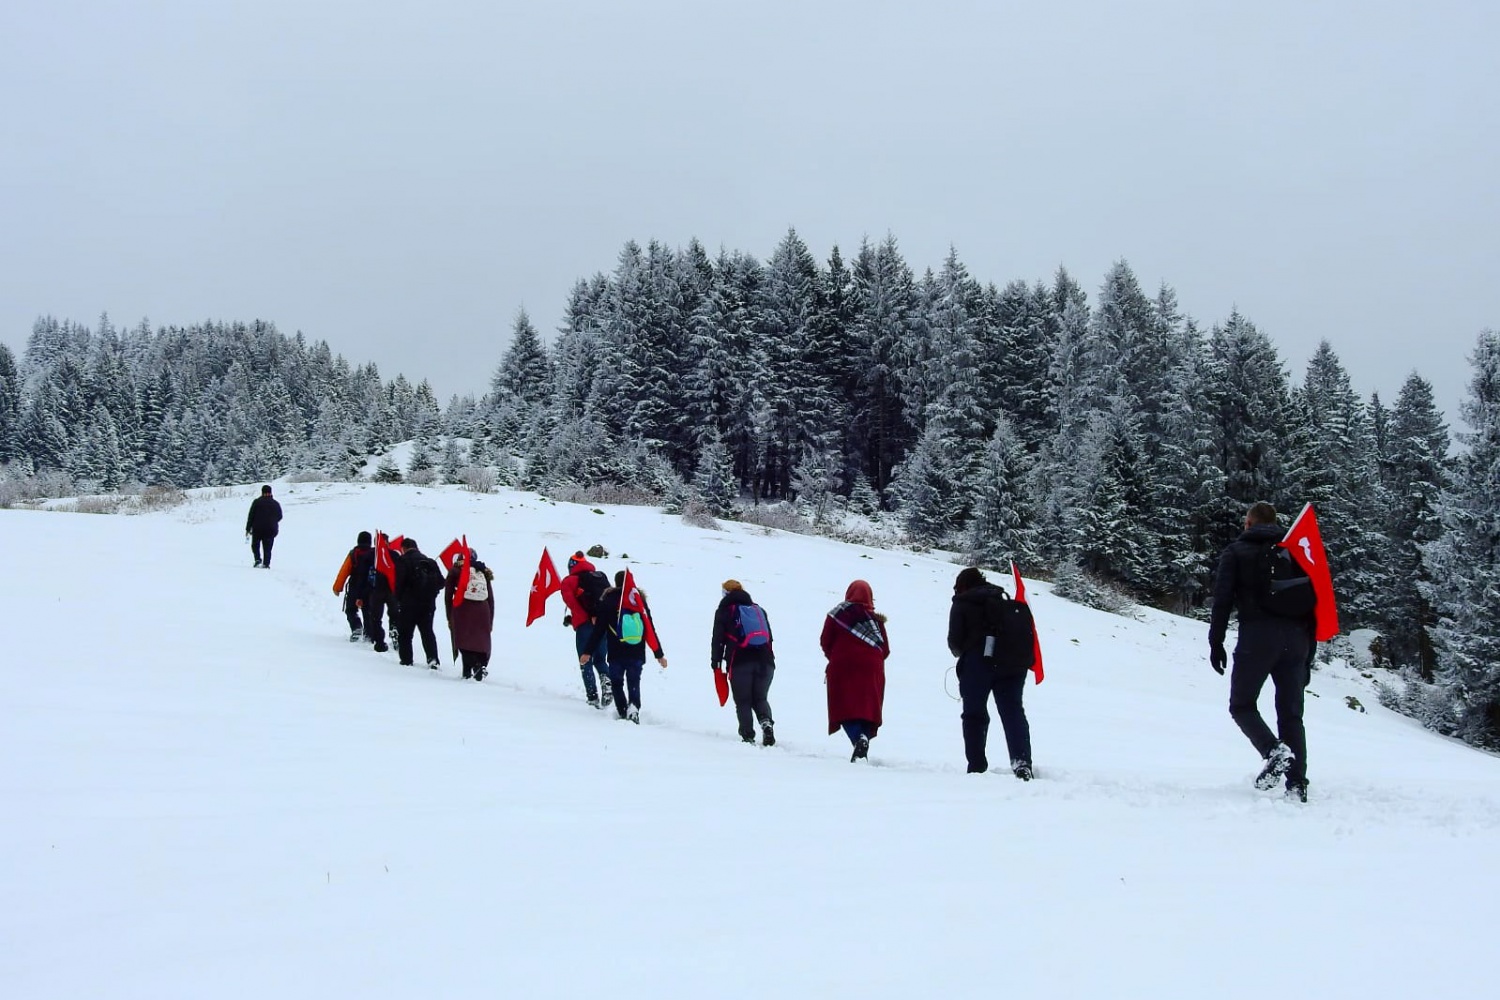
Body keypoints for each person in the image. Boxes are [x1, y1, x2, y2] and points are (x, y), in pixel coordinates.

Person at [1209, 501, 1314, 802]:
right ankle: (1297, 786)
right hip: (1297, 640)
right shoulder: (1296, 551)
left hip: (1257, 639)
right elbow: (1314, 601)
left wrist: (1216, 642)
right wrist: (1309, 654)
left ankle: (1274, 751)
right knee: (1292, 715)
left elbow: (1222, 601)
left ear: (1249, 524)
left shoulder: (1237, 552)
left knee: (1242, 705)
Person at [948, 566, 1034, 779]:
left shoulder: (962, 603)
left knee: (974, 715)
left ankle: (977, 766)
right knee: (1013, 713)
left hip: (978, 666)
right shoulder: (1002, 599)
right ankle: (1022, 762)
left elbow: (954, 643)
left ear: (962, 585)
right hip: (1013, 665)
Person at [821, 580, 890, 762]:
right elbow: (886, 650)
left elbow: (825, 641)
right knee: (867, 708)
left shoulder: (837, 614)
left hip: (843, 665)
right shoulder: (875, 620)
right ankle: (864, 739)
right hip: (873, 668)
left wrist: (836, 658)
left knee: (843, 705)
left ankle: (858, 738)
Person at [596, 570, 668, 722]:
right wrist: (659, 654)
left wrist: (588, 651)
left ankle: (622, 711)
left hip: (616, 651)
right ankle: (634, 708)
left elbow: (599, 629)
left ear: (616, 582)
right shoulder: (638, 600)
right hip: (636, 650)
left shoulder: (608, 599)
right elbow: (649, 628)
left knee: (616, 682)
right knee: (633, 681)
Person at [711, 580, 776, 746]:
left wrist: (716, 663)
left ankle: (748, 736)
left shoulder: (724, 611)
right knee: (760, 698)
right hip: (765, 661)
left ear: (726, 593)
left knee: (743, 701)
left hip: (740, 661)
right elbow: (770, 638)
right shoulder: (759, 609)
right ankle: (766, 723)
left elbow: (718, 640)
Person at [560, 551, 613, 708]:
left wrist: (580, 618)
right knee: (600, 659)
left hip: (585, 626)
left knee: (585, 660)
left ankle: (592, 697)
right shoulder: (598, 577)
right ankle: (607, 683)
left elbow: (573, 604)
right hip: (602, 624)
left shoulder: (569, 581)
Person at [445, 548, 496, 681]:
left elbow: (448, 595)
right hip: (483, 609)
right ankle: (470, 671)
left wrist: (449, 615)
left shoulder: (455, 570)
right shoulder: (483, 572)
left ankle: (476, 666)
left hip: (462, 608)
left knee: (462, 641)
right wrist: (490, 619)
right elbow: (490, 597)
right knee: (479, 642)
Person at [393, 537, 445, 669]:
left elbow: (399, 583)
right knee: (427, 632)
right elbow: (441, 583)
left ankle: (406, 660)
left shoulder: (402, 561)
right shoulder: (430, 562)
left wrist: (398, 599)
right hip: (428, 605)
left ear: (403, 548)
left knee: (405, 634)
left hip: (408, 604)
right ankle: (432, 659)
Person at [331, 531, 376, 642]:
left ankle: (356, 628)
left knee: (351, 609)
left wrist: (337, 587)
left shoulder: (354, 553)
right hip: (370, 587)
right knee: (368, 611)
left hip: (355, 586)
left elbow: (344, 571)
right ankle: (369, 635)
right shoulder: (374, 554)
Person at [365, 532, 394, 653]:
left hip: (378, 590)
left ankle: (380, 641)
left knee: (376, 617)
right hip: (386, 590)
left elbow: (362, 575)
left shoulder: (370, 555)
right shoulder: (393, 554)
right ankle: (387, 638)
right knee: (387, 616)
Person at [245, 484, 282, 568]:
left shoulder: (257, 502)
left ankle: (257, 560)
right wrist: (273, 522)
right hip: (270, 529)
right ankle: (266, 564)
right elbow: (280, 516)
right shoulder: (275, 503)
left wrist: (248, 528)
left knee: (255, 545)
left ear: (262, 492)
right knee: (268, 548)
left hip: (257, 528)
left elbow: (251, 516)